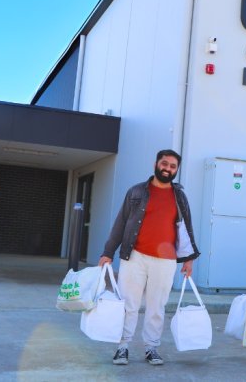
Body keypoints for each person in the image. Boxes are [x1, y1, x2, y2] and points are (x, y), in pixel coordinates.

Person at [99, 149, 200, 366]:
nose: (168, 169)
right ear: (156, 163)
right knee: (128, 303)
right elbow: (121, 223)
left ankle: (151, 347)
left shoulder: (179, 196)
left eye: (173, 166)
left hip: (166, 260)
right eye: (165, 164)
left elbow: (186, 228)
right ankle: (123, 347)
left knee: (157, 305)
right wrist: (108, 252)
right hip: (134, 256)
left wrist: (189, 258)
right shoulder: (136, 191)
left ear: (176, 170)